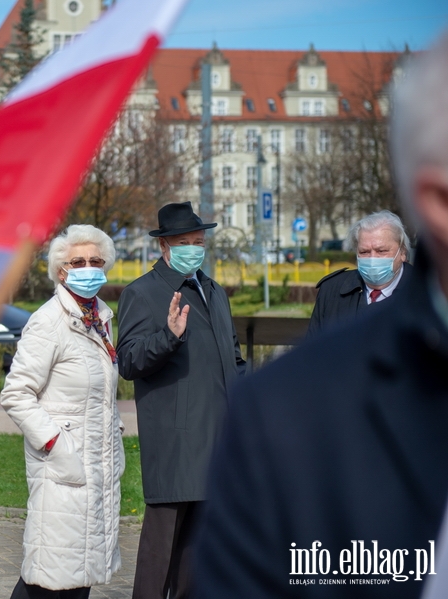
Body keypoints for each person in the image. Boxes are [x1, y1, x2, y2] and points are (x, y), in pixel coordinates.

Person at [192, 30, 448, 599]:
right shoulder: (283, 417)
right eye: (367, 252)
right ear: (438, 202)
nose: (373, 262)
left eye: (382, 251)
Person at [116, 201, 245, 599]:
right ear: (164, 246)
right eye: (185, 242)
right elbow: (130, 360)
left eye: (199, 241)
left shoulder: (213, 290)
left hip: (218, 437)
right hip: (176, 441)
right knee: (161, 550)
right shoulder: (144, 292)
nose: (194, 248)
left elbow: (233, 357)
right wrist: (168, 337)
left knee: (198, 551)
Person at [0, 224, 125, 599]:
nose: (88, 267)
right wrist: (56, 443)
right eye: (78, 261)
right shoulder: (49, 321)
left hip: (96, 465)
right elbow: (16, 393)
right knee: (47, 574)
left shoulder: (99, 318)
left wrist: (112, 429)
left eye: (95, 260)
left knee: (78, 575)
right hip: (62, 467)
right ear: (61, 270)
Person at [307, 210, 413, 337]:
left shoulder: (428, 292)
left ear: (402, 253)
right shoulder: (331, 290)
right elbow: (314, 350)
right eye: (364, 252)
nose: (372, 259)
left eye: (382, 251)